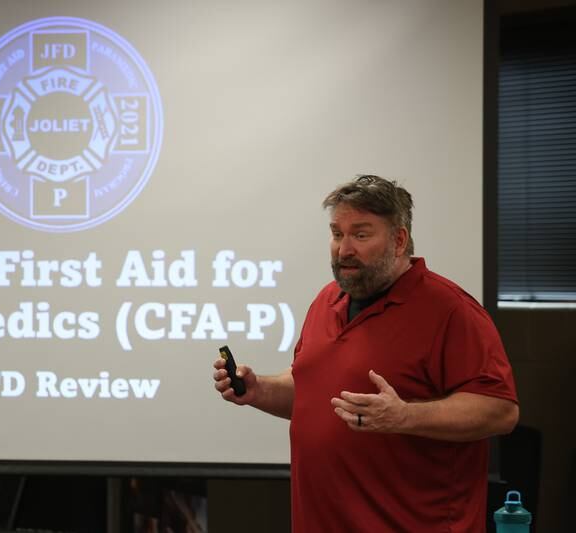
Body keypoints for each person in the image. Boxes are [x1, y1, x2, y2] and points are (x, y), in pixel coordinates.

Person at [212, 175, 519, 532]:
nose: (344, 249)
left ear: (399, 240)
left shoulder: (450, 310)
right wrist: (259, 389)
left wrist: (405, 416)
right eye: (337, 234)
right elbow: (316, 393)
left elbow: (500, 410)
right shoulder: (327, 301)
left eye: (360, 234)